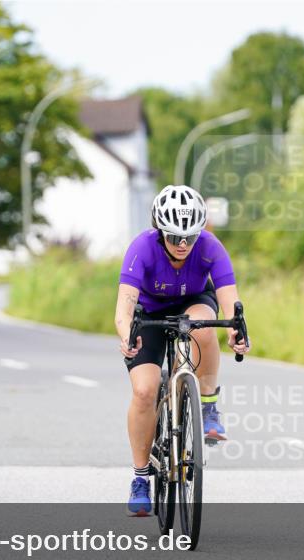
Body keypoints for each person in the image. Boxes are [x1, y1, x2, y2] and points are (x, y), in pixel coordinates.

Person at [114, 185, 250, 516]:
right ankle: (141, 478)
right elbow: (124, 307)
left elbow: (229, 299)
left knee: (203, 325)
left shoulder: (210, 247)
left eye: (189, 235)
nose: (183, 244)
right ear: (160, 231)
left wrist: (237, 330)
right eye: (174, 237)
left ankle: (208, 407)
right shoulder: (141, 248)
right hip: (148, 314)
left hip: (192, 304)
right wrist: (127, 335)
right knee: (145, 392)